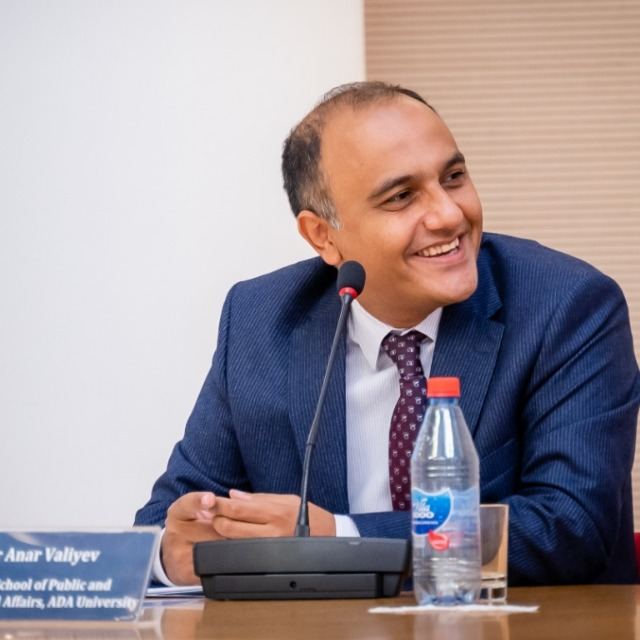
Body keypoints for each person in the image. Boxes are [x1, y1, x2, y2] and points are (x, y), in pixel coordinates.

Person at [135, 81, 640, 587]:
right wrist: (172, 556)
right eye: (401, 197)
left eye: (454, 177)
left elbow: (570, 526)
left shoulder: (566, 305)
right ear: (323, 235)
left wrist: (341, 541)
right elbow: (169, 519)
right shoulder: (261, 320)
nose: (450, 215)